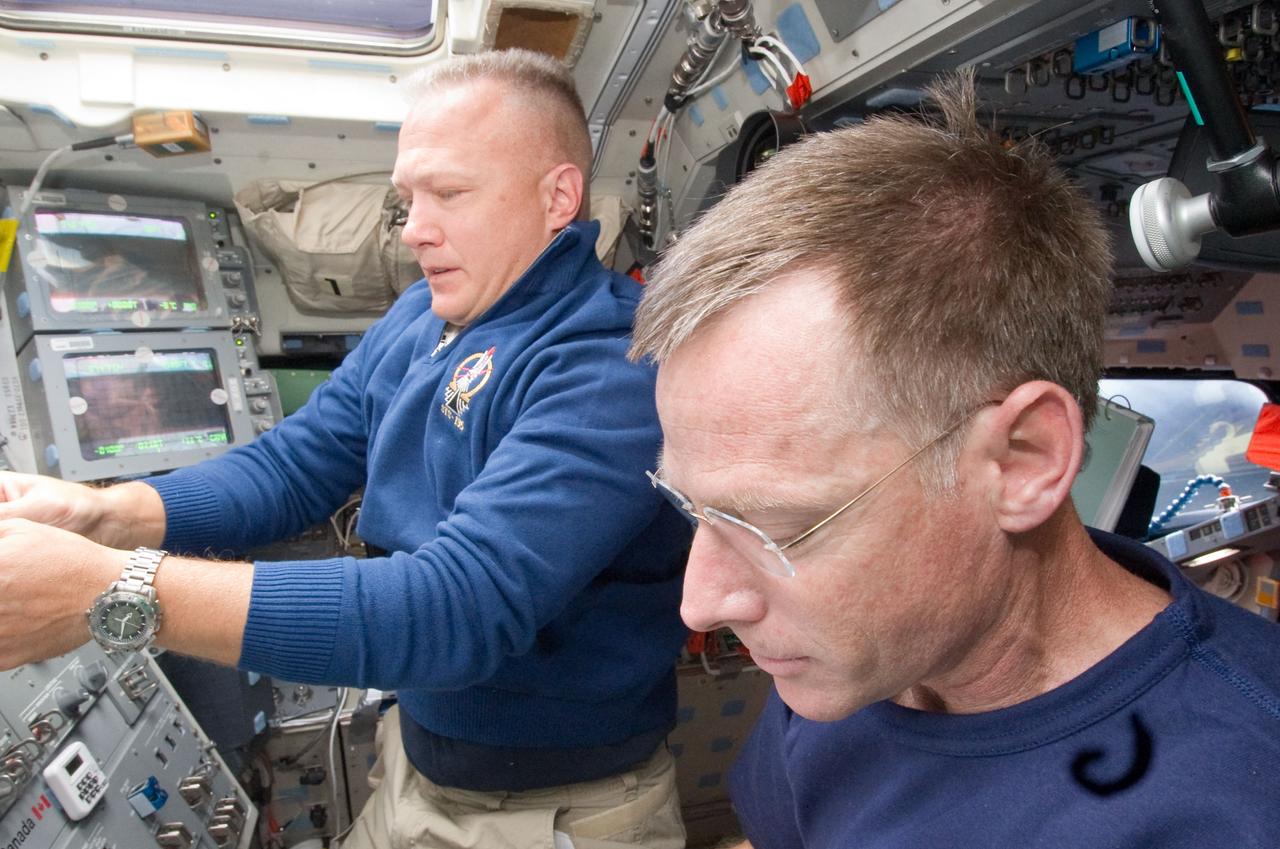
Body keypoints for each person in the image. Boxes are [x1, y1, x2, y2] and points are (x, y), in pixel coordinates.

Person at [0, 49, 690, 849]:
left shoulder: (614, 363)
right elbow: (293, 465)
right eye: (407, 199)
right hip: (417, 761)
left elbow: (456, 608)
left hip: (558, 810)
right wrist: (104, 513)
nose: (415, 231)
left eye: (449, 193)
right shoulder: (423, 318)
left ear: (557, 198)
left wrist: (118, 591)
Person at [629, 72, 1280, 848]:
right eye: (692, 507)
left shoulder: (1240, 799)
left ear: (1024, 459)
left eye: (781, 528)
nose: (700, 604)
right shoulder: (859, 654)